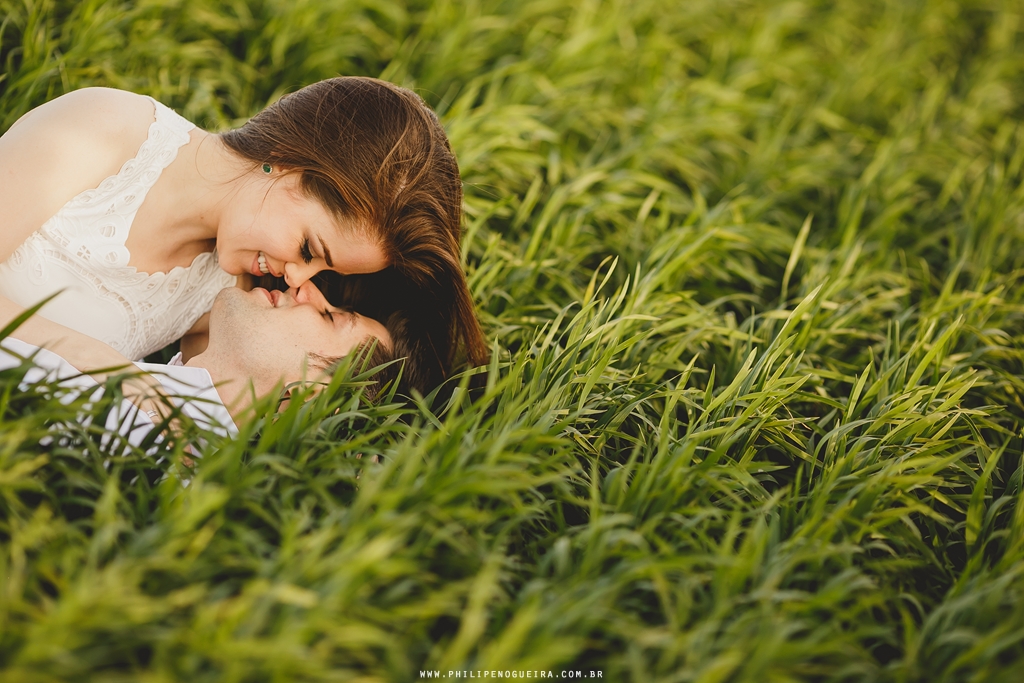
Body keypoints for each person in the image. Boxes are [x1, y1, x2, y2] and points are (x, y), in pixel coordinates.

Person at [0, 77, 486, 396]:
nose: (299, 280)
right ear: (287, 161)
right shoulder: (108, 131)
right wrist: (98, 363)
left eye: (323, 270)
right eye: (309, 250)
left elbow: (214, 405)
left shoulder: (229, 303)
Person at [0, 279, 396, 446]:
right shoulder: (139, 396)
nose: (305, 287)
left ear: (312, 398)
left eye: (329, 316)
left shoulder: (138, 440)